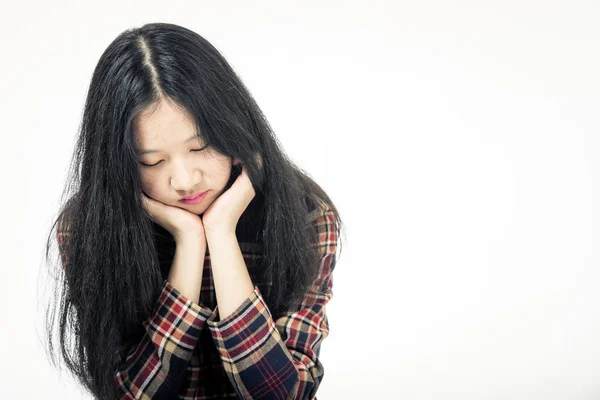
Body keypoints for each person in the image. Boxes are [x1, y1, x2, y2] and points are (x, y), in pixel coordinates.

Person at [43, 22, 344, 400]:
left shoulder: (306, 218)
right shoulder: (86, 230)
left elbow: (284, 394)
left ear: (235, 130)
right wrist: (189, 242)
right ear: (119, 164)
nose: (184, 180)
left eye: (200, 147)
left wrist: (221, 233)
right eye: (152, 162)